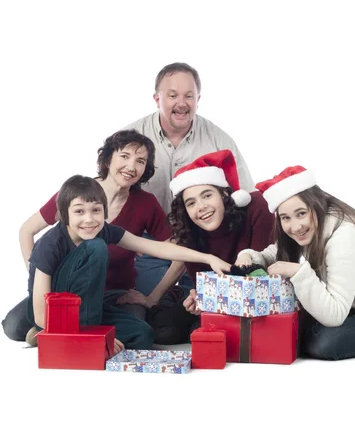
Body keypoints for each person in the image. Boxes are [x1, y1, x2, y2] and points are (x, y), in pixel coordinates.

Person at [1, 130, 173, 344]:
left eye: (140, 161)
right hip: (66, 291)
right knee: (13, 327)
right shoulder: (77, 194)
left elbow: (174, 251)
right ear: (108, 159)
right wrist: (38, 278)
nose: (131, 167)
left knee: (141, 326)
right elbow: (27, 230)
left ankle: (67, 330)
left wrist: (152, 297)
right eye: (124, 156)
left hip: (114, 294)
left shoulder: (146, 204)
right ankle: (68, 328)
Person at [27, 175, 231, 351]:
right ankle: (70, 336)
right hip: (57, 313)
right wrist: (93, 337)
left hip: (90, 307)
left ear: (104, 212)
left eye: (96, 210)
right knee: (96, 247)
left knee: (144, 335)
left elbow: (158, 248)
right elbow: (40, 315)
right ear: (65, 215)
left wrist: (207, 257)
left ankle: (81, 331)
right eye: (79, 212)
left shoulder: (103, 229)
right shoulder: (50, 244)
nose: (89, 219)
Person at [235, 166, 355, 361]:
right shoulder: (306, 229)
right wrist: (248, 257)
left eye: (301, 213)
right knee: (289, 323)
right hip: (349, 304)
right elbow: (273, 253)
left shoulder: (344, 238)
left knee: (323, 343)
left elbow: (334, 315)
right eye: (286, 218)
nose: (295, 226)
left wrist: (299, 273)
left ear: (316, 205)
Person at [123, 62, 256, 295]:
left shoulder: (218, 140)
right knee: (147, 308)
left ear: (198, 99)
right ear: (157, 98)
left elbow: (245, 196)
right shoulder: (131, 138)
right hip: (150, 243)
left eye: (189, 96)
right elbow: (109, 191)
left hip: (202, 240)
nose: (181, 103)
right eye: (172, 95)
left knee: (196, 311)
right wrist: (126, 240)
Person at [127, 150, 274, 344]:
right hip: (219, 294)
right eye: (191, 203)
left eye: (207, 195)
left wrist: (211, 297)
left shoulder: (257, 208)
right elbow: (201, 281)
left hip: (252, 295)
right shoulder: (190, 231)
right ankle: (176, 295)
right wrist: (198, 300)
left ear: (223, 194)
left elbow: (258, 273)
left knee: (208, 332)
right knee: (164, 332)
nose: (201, 207)